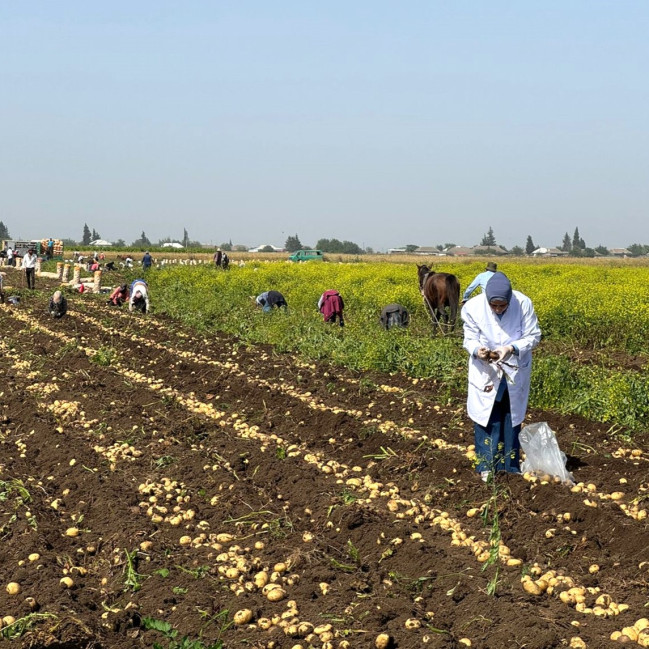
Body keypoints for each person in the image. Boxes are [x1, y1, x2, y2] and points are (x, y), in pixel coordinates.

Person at [461, 272, 541, 482]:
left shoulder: (523, 303)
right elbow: (469, 338)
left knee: (511, 417)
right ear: (487, 299)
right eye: (493, 306)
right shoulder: (472, 307)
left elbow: (533, 336)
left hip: (514, 367)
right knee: (487, 418)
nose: (497, 310)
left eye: (502, 306)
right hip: (485, 370)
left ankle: (510, 467)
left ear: (509, 300)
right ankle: (487, 466)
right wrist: (478, 350)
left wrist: (511, 348)